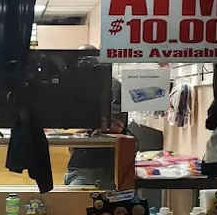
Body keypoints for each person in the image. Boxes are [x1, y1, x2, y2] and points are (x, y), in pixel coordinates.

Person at [65, 50, 163, 188]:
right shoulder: (82, 87)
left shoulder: (110, 85)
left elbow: (116, 125)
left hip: (97, 170)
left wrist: (81, 133)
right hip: (78, 167)